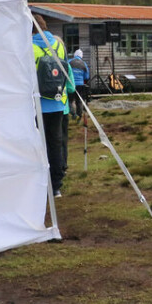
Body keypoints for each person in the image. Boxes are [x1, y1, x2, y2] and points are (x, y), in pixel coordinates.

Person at [32, 16, 69, 198]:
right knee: (56, 143)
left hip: (36, 103)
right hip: (57, 101)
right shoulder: (59, 45)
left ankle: (39, 182)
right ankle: (56, 185)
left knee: (37, 144)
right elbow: (66, 70)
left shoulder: (28, 46)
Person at [68, 49, 90, 120]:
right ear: (81, 56)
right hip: (80, 85)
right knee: (79, 100)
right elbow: (86, 77)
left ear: (74, 55)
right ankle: (79, 115)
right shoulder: (84, 64)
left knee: (70, 100)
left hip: (71, 84)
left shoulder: (69, 62)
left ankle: (73, 113)